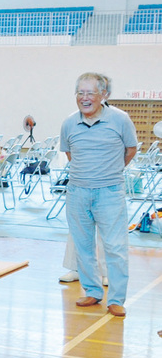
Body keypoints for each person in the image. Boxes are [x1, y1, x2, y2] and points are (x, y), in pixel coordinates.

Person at [60, 72, 137, 318]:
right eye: (80, 93)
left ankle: (116, 299)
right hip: (77, 192)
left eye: (90, 92)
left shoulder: (121, 120)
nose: (84, 98)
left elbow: (130, 150)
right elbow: (71, 155)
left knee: (115, 247)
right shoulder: (69, 123)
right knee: (83, 247)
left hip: (110, 193)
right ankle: (92, 291)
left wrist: (107, 174)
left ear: (104, 95)